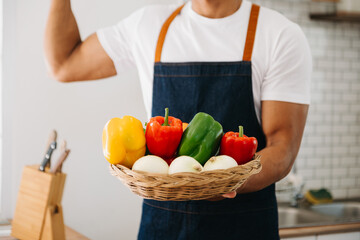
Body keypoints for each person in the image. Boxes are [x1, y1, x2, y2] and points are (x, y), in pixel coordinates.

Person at [44, 0, 311, 239]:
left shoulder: (279, 35)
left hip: (245, 222)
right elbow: (64, 64)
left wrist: (226, 181)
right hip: (162, 224)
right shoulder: (148, 25)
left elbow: (283, 147)